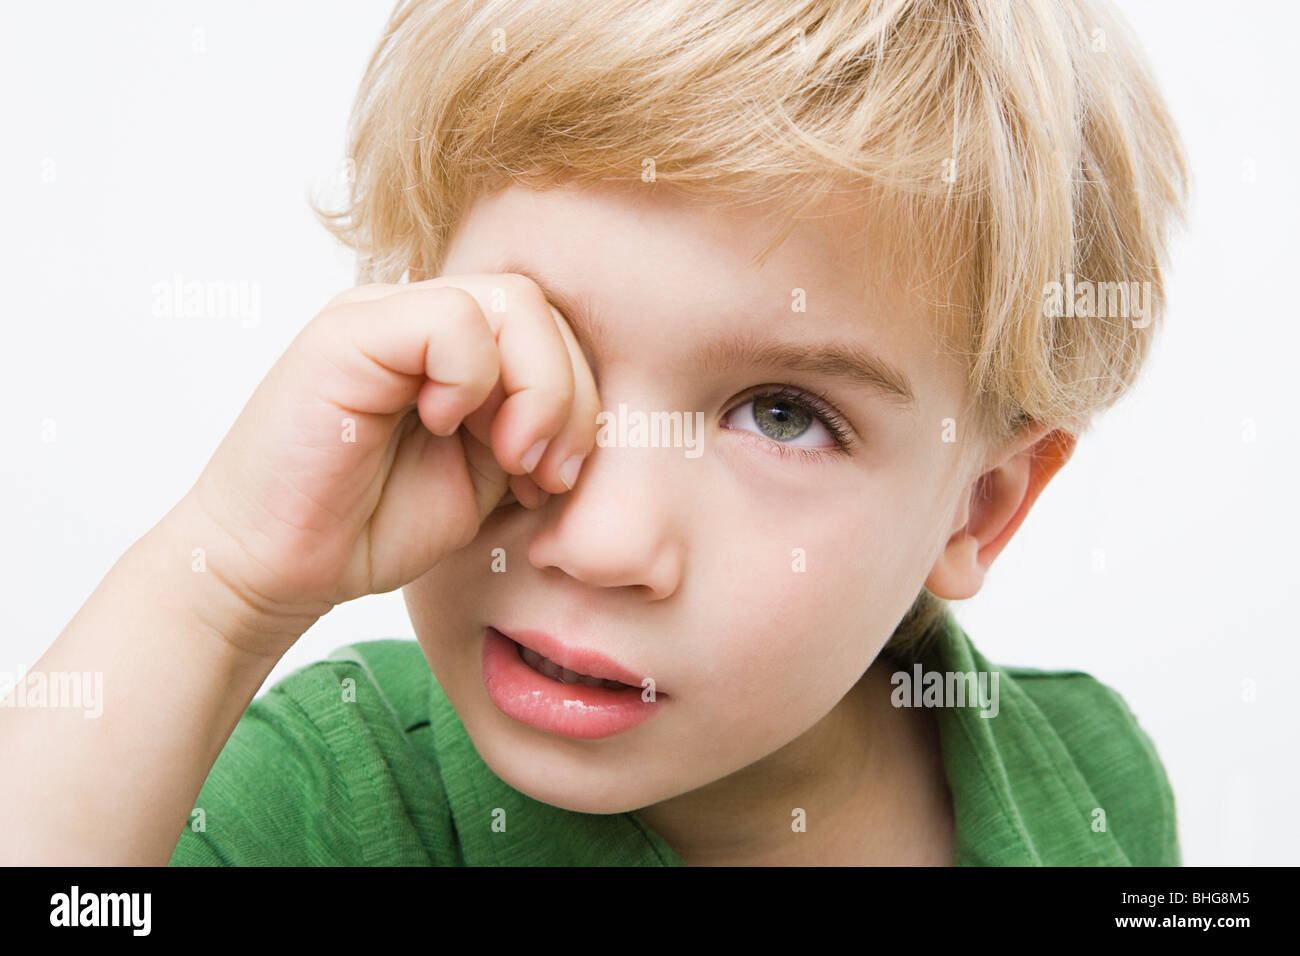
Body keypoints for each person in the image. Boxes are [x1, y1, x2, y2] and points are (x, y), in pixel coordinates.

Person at [0, 0, 1187, 866]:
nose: (603, 538)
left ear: (980, 508)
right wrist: (219, 583)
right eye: (542, 353)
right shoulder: (334, 790)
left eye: (784, 415)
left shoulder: (1088, 773)